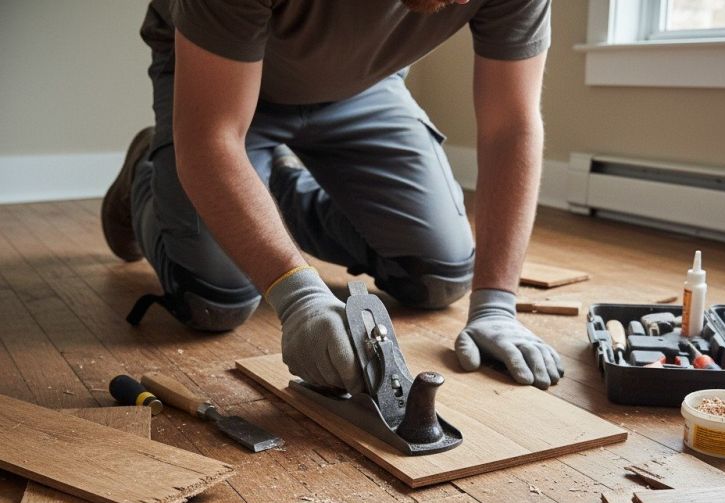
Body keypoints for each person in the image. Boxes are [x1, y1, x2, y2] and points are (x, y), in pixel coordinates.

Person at [102, 0, 563, 392]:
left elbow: (511, 127)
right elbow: (211, 138)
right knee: (213, 300)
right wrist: (299, 296)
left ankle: (267, 182)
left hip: (362, 86)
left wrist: (496, 305)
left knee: (437, 276)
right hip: (219, 83)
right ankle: (149, 173)